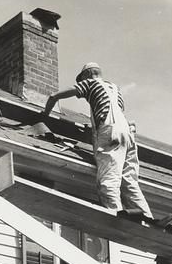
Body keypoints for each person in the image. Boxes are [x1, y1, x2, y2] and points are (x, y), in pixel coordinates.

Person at [44, 62, 153, 218]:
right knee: (129, 182)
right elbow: (115, 112)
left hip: (111, 133)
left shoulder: (90, 83)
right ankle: (147, 217)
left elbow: (54, 96)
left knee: (108, 182)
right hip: (128, 135)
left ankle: (115, 216)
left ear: (87, 75)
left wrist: (44, 116)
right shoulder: (115, 88)